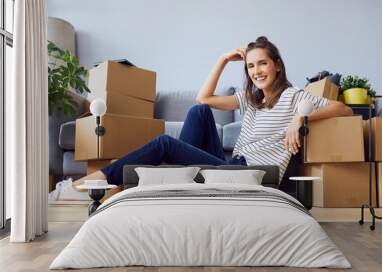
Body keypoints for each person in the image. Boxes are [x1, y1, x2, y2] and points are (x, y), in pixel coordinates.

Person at [72, 36, 352, 190]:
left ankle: (104, 177)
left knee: (164, 144)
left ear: (277, 65)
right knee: (198, 111)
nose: (257, 72)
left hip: (253, 173)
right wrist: (222, 59)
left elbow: (344, 108)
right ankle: (181, 174)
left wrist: (300, 118)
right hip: (232, 163)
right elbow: (203, 98)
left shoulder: (293, 96)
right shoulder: (251, 99)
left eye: (263, 64)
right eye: (251, 66)